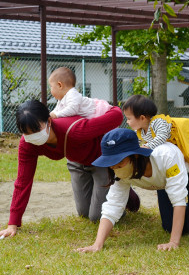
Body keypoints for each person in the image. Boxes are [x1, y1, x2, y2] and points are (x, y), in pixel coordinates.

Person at [76, 128, 189, 252]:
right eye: (111, 163)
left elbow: (178, 200)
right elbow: (113, 205)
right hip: (164, 181)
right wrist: (97, 244)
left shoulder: (165, 157)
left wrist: (174, 242)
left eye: (119, 162)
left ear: (136, 156)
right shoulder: (121, 171)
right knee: (169, 226)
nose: (114, 167)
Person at [0, 99, 140, 238]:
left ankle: (122, 189)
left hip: (100, 160)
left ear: (49, 121)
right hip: (77, 162)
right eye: (26, 132)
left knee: (97, 216)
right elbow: (23, 181)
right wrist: (13, 223)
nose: (32, 136)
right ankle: (107, 188)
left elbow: (116, 115)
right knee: (84, 213)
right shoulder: (27, 144)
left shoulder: (75, 129)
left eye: (36, 130)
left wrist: (91, 103)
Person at [122, 95, 189, 199]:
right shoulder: (141, 130)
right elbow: (136, 141)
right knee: (184, 127)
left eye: (128, 118)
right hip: (178, 133)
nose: (127, 122)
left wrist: (148, 146)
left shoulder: (157, 123)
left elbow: (162, 137)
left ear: (142, 118)